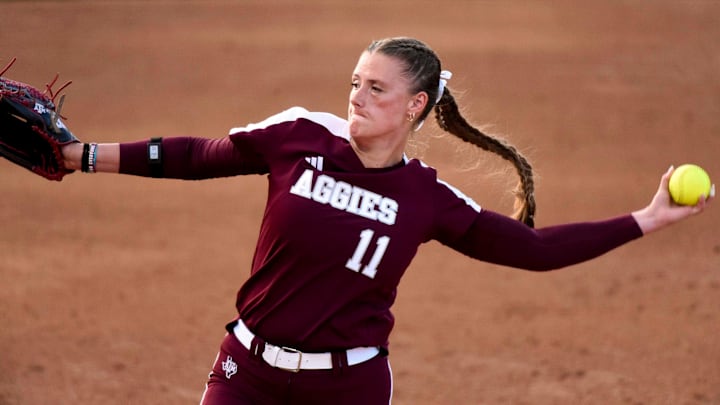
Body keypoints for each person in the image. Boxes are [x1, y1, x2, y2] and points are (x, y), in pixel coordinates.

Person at [59, 37, 711, 404]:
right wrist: (85, 155)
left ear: (415, 106)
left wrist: (647, 219)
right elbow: (198, 155)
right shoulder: (299, 135)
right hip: (246, 372)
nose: (357, 97)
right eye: (355, 82)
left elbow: (531, 250)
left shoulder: (426, 197)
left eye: (377, 88)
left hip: (348, 387)